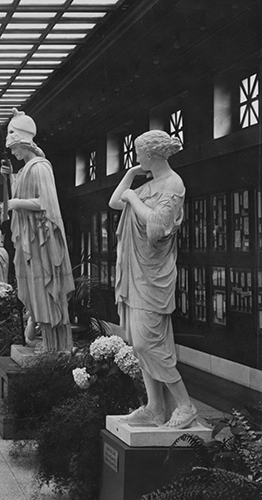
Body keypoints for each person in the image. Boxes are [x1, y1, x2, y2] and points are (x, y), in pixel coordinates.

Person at [110, 130, 197, 429]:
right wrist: (132, 177)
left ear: (152, 154)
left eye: (138, 153)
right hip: (136, 274)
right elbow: (114, 202)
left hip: (153, 275)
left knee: (150, 343)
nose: (136, 157)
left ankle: (185, 405)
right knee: (138, 343)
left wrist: (133, 195)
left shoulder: (173, 184)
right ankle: (155, 407)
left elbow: (158, 226)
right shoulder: (149, 184)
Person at [0, 108, 75, 352]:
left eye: (14, 147)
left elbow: (46, 204)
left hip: (42, 241)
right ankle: (40, 336)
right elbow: (21, 197)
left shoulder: (40, 167)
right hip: (29, 240)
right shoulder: (24, 170)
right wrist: (11, 178)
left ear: (23, 142)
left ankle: (53, 345)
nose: (12, 152)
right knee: (33, 289)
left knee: (45, 288)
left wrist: (16, 203)